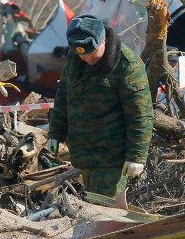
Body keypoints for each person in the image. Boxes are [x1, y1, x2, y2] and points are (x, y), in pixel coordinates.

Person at [46, 15, 153, 207]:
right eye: (81, 53)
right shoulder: (75, 59)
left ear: (103, 40)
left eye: (91, 52)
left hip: (113, 157)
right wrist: (55, 133)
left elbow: (140, 115)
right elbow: (64, 96)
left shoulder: (127, 66)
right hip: (85, 153)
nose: (86, 58)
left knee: (105, 210)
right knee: (92, 206)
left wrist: (136, 157)